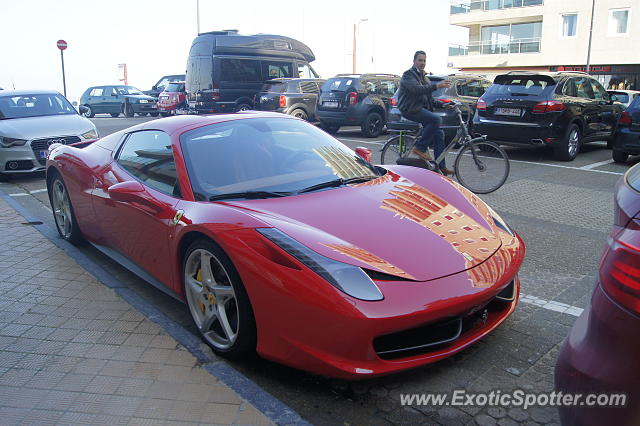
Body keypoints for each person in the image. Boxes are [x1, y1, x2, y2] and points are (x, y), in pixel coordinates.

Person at [397, 50, 454, 175]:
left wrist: (445, 105)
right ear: (414, 61)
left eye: (424, 60)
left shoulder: (425, 78)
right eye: (420, 60)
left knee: (439, 134)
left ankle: (440, 166)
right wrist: (436, 86)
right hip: (409, 108)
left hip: (419, 109)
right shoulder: (408, 75)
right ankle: (420, 148)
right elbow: (416, 89)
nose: (422, 63)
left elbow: (430, 99)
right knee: (436, 120)